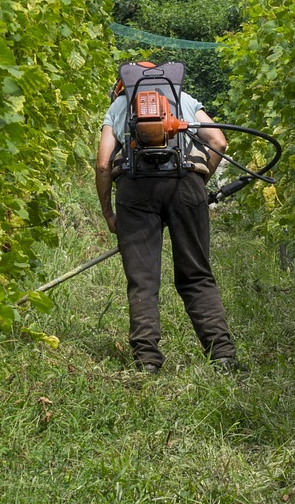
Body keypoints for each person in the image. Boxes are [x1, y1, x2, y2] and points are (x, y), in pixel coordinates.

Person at [95, 62, 241, 374]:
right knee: (196, 274)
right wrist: (200, 184)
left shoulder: (120, 106)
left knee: (143, 279)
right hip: (185, 183)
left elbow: (103, 163)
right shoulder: (183, 99)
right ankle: (223, 356)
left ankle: (147, 360)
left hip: (134, 190)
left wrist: (109, 212)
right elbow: (219, 141)